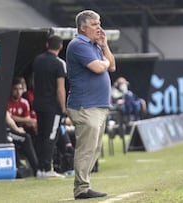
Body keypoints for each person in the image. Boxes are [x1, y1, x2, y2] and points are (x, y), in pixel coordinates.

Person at [66, 10, 116, 199]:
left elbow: (112, 66)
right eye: (95, 24)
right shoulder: (78, 44)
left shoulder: (95, 45)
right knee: (86, 149)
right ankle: (81, 189)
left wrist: (105, 46)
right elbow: (98, 67)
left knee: (93, 148)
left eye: (99, 23)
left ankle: (84, 186)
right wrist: (103, 60)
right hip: (85, 105)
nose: (99, 28)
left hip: (97, 105)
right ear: (83, 27)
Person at [31, 35, 67, 178]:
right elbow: (60, 88)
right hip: (52, 106)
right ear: (60, 47)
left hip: (39, 104)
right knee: (51, 137)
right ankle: (46, 169)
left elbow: (33, 82)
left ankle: (40, 168)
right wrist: (63, 108)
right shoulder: (59, 64)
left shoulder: (37, 60)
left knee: (41, 136)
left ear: (47, 44)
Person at [6, 111, 39, 176]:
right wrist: (17, 129)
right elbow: (8, 119)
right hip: (4, 133)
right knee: (25, 138)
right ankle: (36, 168)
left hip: (5, 131)